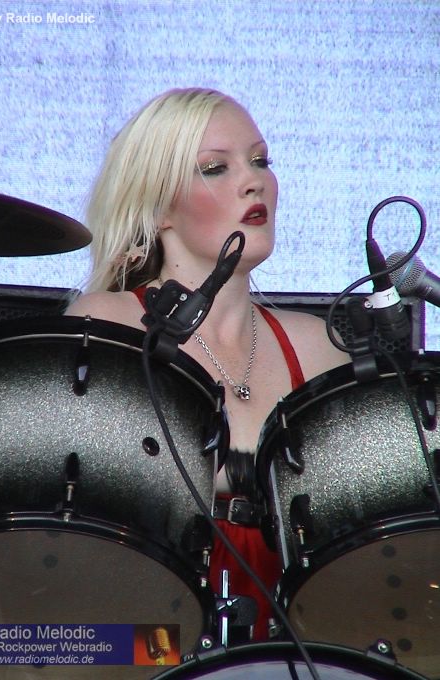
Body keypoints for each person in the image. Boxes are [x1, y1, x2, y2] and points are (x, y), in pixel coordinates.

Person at [66, 87, 350, 640]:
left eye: (261, 160)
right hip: (145, 641)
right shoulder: (107, 323)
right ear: (158, 208)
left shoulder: (318, 346)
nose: (254, 181)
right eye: (216, 167)